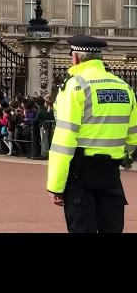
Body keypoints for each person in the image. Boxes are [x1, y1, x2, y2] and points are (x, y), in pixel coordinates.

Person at [47, 35, 137, 233]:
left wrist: (56, 184)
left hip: (81, 173)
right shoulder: (123, 87)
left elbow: (64, 139)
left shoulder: (74, 87)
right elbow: (134, 136)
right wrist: (124, 157)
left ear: (77, 58)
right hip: (111, 173)